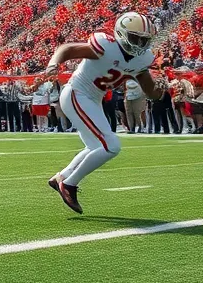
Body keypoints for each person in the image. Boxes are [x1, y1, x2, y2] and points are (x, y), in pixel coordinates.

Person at [40, 12, 164, 214]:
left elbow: (150, 92)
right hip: (77, 92)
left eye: (144, 40)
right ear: (122, 33)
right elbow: (68, 48)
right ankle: (69, 184)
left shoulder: (142, 60)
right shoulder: (106, 46)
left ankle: (61, 177)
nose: (139, 44)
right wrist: (54, 63)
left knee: (96, 146)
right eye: (135, 38)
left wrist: (159, 91)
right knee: (111, 145)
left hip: (92, 98)